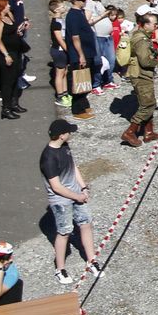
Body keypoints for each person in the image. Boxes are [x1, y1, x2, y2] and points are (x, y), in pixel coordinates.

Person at [41, 119, 103, 285]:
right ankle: (60, 268)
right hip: (61, 201)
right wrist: (76, 196)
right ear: (61, 135)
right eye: (68, 132)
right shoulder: (48, 158)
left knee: (86, 224)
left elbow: (73, 167)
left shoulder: (64, 147)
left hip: (76, 194)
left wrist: (83, 187)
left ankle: (92, 260)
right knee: (64, 232)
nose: (71, 134)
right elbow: (56, 187)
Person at [123, 12, 158, 146]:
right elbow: (145, 62)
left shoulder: (142, 37)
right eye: (154, 24)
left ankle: (148, 132)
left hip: (142, 75)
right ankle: (130, 132)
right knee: (148, 105)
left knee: (149, 102)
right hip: (141, 75)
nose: (156, 26)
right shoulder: (142, 41)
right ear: (145, 25)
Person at [0, 0, 26, 120]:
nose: (9, 6)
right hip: (5, 53)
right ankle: (6, 108)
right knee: (7, 81)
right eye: (7, 5)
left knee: (15, 78)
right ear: (1, 7)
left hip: (15, 51)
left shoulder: (8, 16)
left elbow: (12, 31)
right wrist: (6, 55)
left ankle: (14, 104)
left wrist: (21, 29)